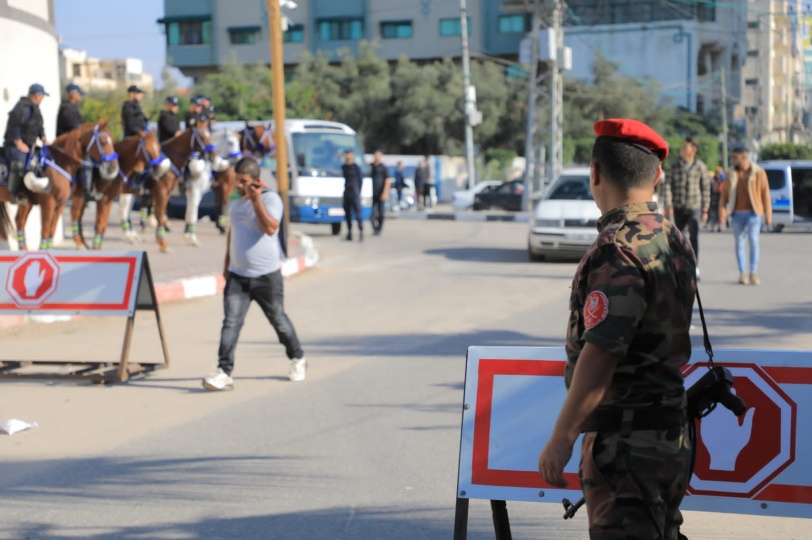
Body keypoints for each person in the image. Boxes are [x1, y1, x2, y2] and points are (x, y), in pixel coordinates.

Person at [538, 118, 696, 539]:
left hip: (627, 444)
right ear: (658, 175)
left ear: (595, 172)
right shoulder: (673, 236)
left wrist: (561, 438)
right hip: (671, 433)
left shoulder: (615, 247)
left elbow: (602, 354)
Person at [202, 157, 307, 391]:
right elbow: (233, 233)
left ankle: (297, 358)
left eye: (244, 182)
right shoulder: (236, 203)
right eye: (237, 181)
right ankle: (223, 372)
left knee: (278, 320)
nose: (239, 186)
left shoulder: (270, 200)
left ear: (256, 181)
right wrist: (227, 265)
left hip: (266, 277)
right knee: (230, 323)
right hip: (238, 276)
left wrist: (256, 200)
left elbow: (270, 228)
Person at [719, 146, 772, 286]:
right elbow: (724, 195)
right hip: (737, 213)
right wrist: (722, 213)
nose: (732, 159)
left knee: (754, 241)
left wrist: (768, 215)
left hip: (754, 213)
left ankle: (753, 272)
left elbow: (765, 194)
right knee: (739, 243)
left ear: (744, 157)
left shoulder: (758, 172)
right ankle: (743, 273)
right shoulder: (731, 173)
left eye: (735, 157)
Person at [661, 137, 709, 277]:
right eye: (682, 147)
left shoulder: (700, 166)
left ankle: (694, 266)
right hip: (678, 206)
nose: (682, 150)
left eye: (685, 147)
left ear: (693, 150)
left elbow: (705, 189)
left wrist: (705, 209)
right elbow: (667, 186)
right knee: (677, 237)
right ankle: (678, 265)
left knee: (694, 237)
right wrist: (668, 205)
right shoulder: (674, 166)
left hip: (694, 207)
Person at [3, 83, 49, 205]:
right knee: (20, 163)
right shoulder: (22, 108)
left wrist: (43, 137)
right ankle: (14, 194)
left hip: (29, 146)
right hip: (14, 146)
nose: (43, 98)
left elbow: (39, 126)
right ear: (36, 96)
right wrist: (18, 142)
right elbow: (14, 126)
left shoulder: (35, 109)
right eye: (42, 96)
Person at [341, 149, 364, 241]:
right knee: (347, 214)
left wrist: (358, 192)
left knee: (358, 214)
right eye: (346, 154)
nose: (347, 156)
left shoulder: (356, 167)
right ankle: (349, 233)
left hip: (355, 193)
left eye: (349, 154)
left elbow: (360, 181)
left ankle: (361, 232)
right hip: (347, 192)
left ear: (352, 155)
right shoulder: (343, 167)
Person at [369, 150, 390, 235]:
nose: (376, 157)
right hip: (371, 194)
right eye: (375, 155)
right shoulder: (370, 167)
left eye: (378, 155)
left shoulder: (383, 168)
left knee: (381, 214)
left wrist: (385, 192)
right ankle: (374, 229)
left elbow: (387, 180)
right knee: (371, 214)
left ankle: (379, 228)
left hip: (381, 193)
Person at [707, 167, 725, 233]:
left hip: (720, 201)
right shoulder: (712, 181)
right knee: (713, 215)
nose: (718, 173)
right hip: (712, 201)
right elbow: (709, 190)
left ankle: (719, 227)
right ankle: (712, 227)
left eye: (719, 172)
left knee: (719, 215)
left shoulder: (722, 181)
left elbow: (723, 191)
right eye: (717, 172)